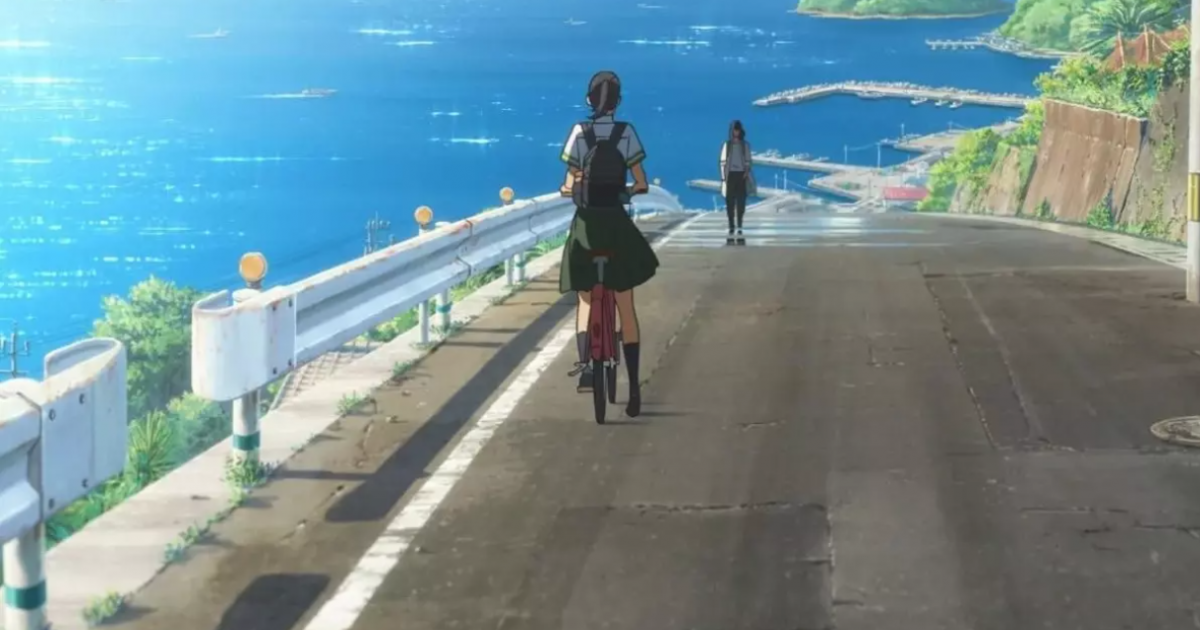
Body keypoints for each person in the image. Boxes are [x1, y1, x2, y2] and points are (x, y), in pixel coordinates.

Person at [557, 70, 658, 418]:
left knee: (586, 299)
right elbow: (641, 181)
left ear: (589, 100)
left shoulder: (579, 133)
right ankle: (634, 391)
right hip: (616, 226)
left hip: (587, 228)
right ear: (618, 102)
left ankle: (587, 366)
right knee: (625, 306)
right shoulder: (625, 133)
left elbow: (567, 184)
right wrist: (631, 189)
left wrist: (572, 188)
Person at [719, 120, 754, 243]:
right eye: (734, 130)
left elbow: (748, 161)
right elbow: (722, 162)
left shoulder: (745, 145)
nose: (736, 132)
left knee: (741, 204)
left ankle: (739, 226)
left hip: (741, 176)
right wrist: (723, 178)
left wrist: (746, 172)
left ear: (740, 131)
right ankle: (731, 226)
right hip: (730, 176)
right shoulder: (727, 145)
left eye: (737, 130)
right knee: (730, 204)